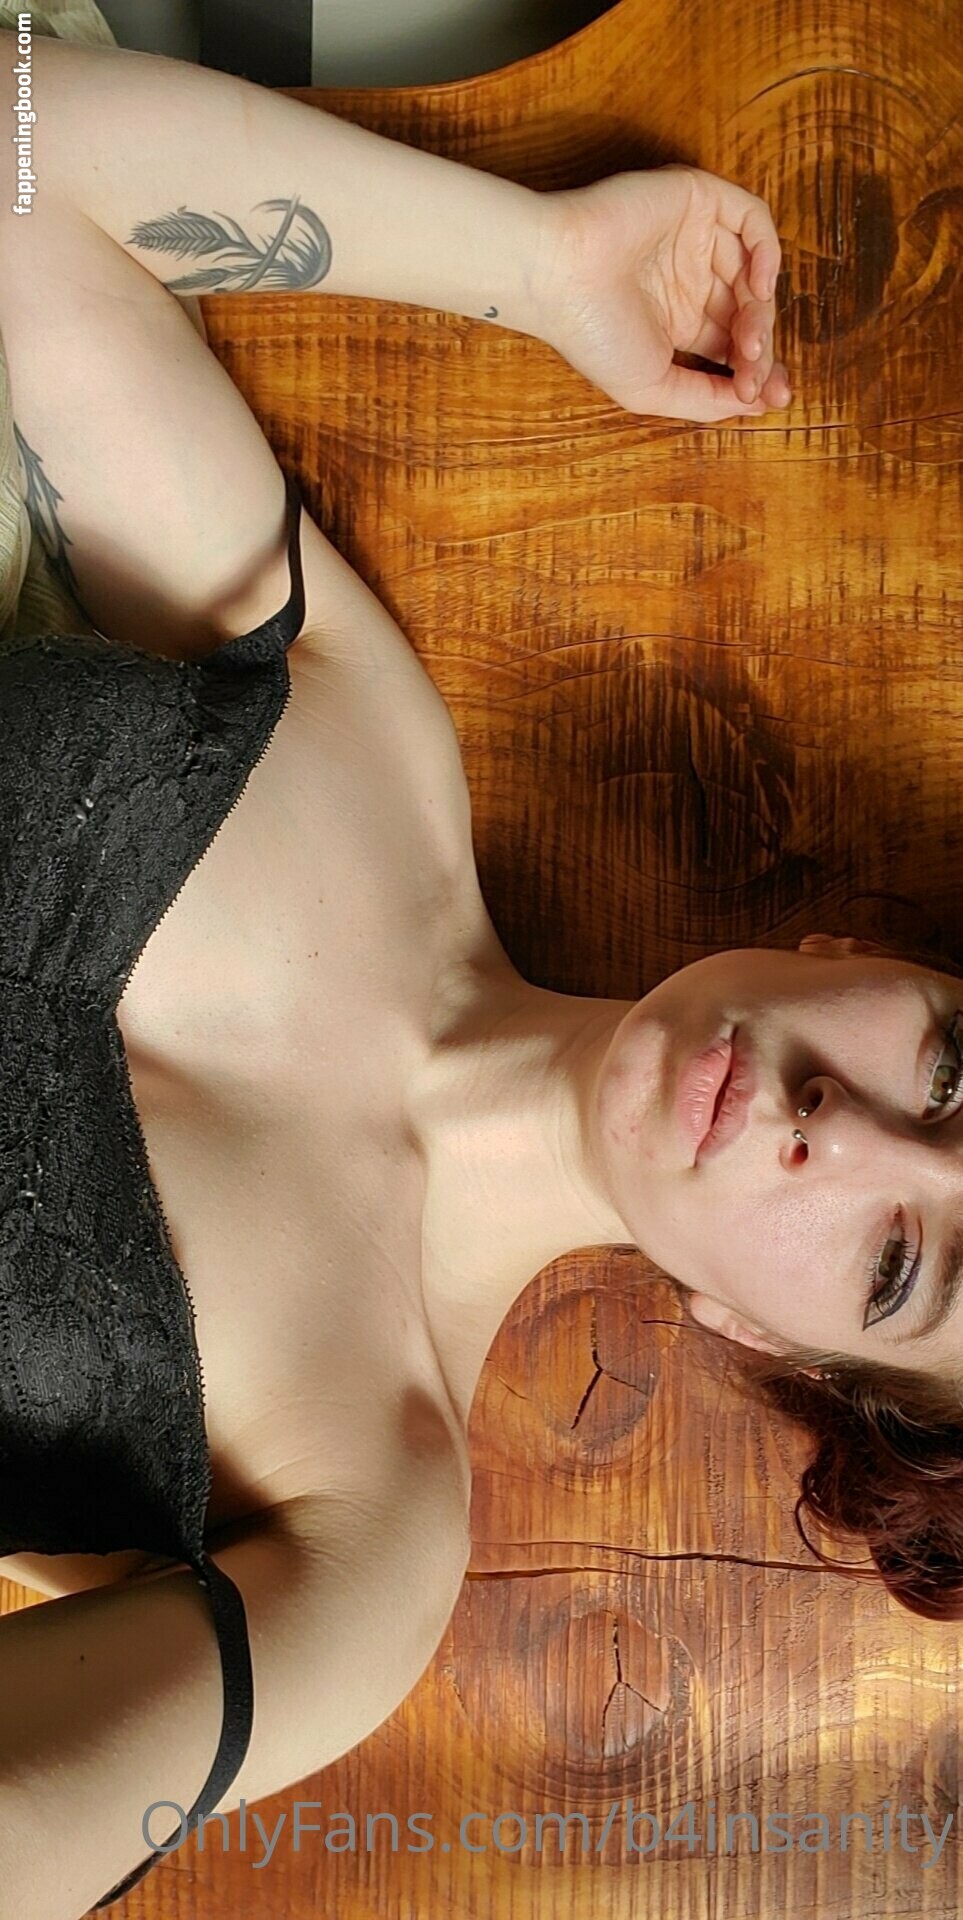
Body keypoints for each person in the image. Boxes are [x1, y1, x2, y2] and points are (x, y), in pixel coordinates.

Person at [0, 24, 957, 1919]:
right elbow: (18, 154)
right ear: (858, 953)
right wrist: (541, 264)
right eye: (952, 1072)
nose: (831, 1123)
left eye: (899, 1262)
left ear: (784, 1348)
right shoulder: (373, 756)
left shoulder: (370, 1533)